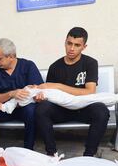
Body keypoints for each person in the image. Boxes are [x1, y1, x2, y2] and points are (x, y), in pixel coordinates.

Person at [35, 27, 109, 157]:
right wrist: (40, 96)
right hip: (61, 109)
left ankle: (88, 155)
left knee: (101, 110)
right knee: (41, 109)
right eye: (69, 43)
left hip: (83, 108)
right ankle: (51, 154)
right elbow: (50, 94)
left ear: (84, 47)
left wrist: (58, 86)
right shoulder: (55, 66)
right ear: (65, 42)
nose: (72, 48)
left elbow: (90, 92)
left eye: (77, 45)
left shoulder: (90, 63)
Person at [0, 38, 43, 150]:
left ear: (11, 56)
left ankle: (28, 149)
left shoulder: (28, 66)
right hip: (3, 109)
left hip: (24, 108)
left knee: (31, 111)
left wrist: (33, 97)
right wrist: (11, 94)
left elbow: (38, 92)